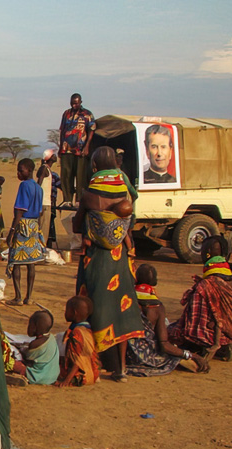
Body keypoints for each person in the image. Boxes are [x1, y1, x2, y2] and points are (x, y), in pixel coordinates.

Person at [77, 146, 144, 380]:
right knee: (120, 309)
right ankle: (121, 368)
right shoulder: (124, 193)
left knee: (93, 306)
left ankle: (95, 361)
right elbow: (130, 222)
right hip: (118, 258)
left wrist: (92, 222)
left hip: (96, 258)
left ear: (94, 167)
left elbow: (76, 225)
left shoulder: (89, 195)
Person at [125, 264, 192, 376]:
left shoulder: (126, 300)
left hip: (125, 355)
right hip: (148, 358)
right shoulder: (157, 307)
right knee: (175, 357)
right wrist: (188, 354)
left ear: (136, 279)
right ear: (154, 282)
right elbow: (164, 344)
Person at [6, 159, 48, 305]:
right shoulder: (38, 188)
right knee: (31, 263)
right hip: (34, 226)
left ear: (29, 170)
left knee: (16, 261)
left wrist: (11, 231)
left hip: (23, 225)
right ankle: (28, 297)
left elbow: (19, 211)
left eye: (21, 170)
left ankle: (18, 297)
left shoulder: (24, 185)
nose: (18, 173)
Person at [56, 93, 95, 198]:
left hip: (80, 150)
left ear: (81, 102)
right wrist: (60, 147)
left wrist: (87, 147)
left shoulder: (87, 114)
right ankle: (67, 198)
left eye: (76, 103)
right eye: (72, 103)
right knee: (66, 175)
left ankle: (79, 199)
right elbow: (62, 130)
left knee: (80, 176)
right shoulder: (66, 114)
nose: (74, 105)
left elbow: (91, 131)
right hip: (66, 149)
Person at [56, 296, 100, 387]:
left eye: (67, 310)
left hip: (81, 376)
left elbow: (78, 360)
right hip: (92, 373)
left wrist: (66, 381)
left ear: (74, 313)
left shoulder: (77, 333)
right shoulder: (86, 329)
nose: (65, 313)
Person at [13, 310, 59, 385]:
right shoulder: (52, 338)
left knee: (15, 364)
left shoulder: (35, 344)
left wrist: (21, 350)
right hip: (53, 376)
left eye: (30, 325)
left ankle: (20, 378)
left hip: (39, 377)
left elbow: (28, 360)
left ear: (35, 327)